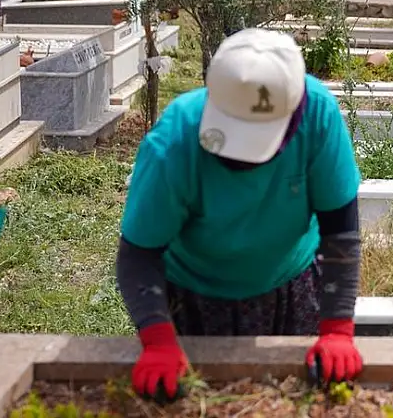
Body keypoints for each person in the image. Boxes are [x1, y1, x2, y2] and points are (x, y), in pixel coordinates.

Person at [115, 27, 364, 403]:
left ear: (293, 119)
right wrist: (158, 338)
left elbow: (340, 231)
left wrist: (337, 329)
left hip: (290, 286)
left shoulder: (318, 116)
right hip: (193, 293)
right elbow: (138, 253)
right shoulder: (174, 143)